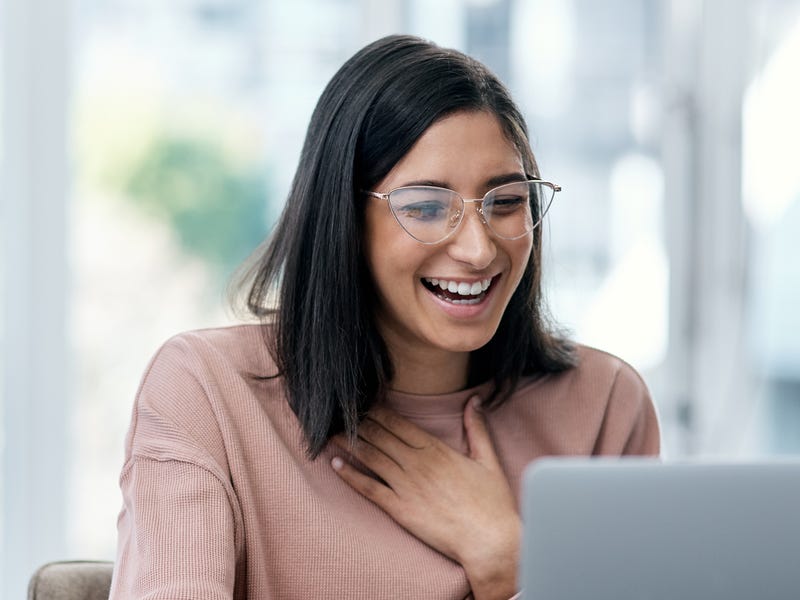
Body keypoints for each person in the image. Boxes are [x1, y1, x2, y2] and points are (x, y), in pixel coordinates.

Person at [109, 34, 660, 600]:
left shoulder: (604, 404)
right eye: (425, 206)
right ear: (343, 217)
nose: (478, 249)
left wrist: (510, 562)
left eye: (506, 201)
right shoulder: (207, 392)